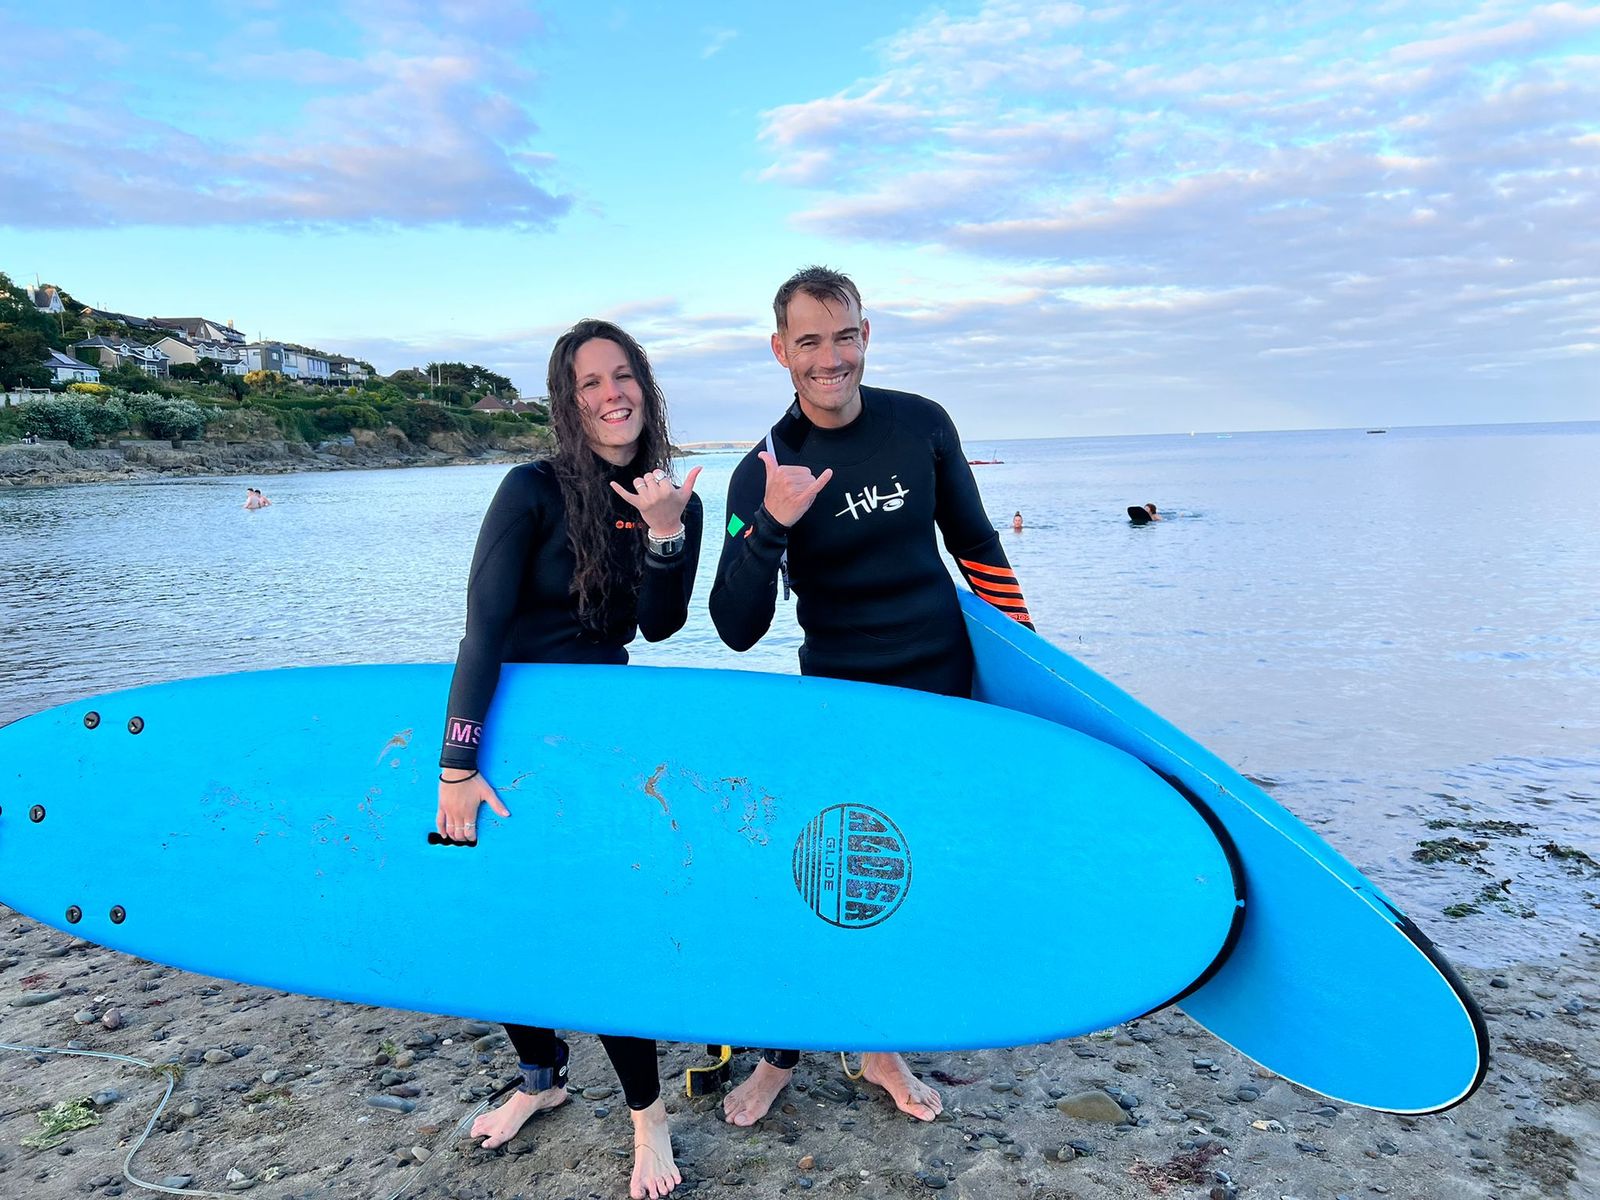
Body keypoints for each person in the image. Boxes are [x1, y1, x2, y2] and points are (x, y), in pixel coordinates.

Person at [708, 266, 1033, 1127]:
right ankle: (782, 1053)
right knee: (824, 883)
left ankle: (878, 1045)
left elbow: (978, 547)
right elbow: (735, 625)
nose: (829, 357)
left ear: (866, 334)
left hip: (942, 689)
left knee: (912, 875)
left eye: (843, 335)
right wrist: (771, 523)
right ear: (780, 351)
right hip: (843, 708)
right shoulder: (765, 470)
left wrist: (1027, 673)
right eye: (808, 341)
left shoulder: (920, 425)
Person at [437, 318, 702, 1200]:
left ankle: (646, 1118)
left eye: (622, 376)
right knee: (498, 916)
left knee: (599, 919)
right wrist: (456, 763)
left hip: (602, 729)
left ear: (645, 387)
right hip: (510, 722)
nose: (610, 394)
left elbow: (661, 626)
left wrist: (665, 533)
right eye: (589, 382)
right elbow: (482, 628)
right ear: (567, 397)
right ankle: (540, 1080)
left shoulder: (674, 495)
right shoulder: (530, 489)